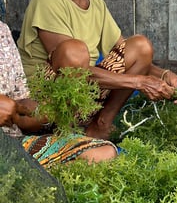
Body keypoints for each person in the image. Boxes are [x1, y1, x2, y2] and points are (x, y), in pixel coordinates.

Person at [18, 0, 177, 140]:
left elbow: (128, 55)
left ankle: (101, 125)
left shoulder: (96, 4)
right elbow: (71, 69)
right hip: (45, 102)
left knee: (140, 46)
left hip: (83, 96)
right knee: (74, 50)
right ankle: (64, 132)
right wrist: (139, 82)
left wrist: (163, 75)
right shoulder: (46, 0)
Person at [0, 20, 118, 168]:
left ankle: (33, 176)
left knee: (103, 153)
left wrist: (43, 112)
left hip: (14, 142)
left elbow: (20, 110)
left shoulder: (2, 31)